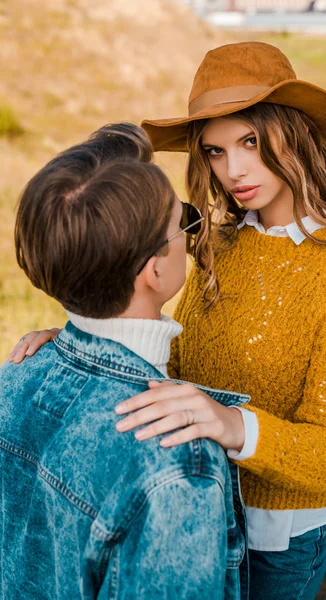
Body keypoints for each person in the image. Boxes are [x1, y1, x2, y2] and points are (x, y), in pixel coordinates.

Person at [10, 42, 326, 599]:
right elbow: (137, 301)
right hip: (197, 504)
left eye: (251, 142)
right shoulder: (218, 239)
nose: (233, 170)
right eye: (214, 152)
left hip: (277, 535)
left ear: (296, 134)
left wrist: (229, 424)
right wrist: (85, 341)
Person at [1, 123, 249, 599]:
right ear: (155, 269)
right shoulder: (177, 458)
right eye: (186, 223)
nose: (193, 236)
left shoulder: (16, 374)